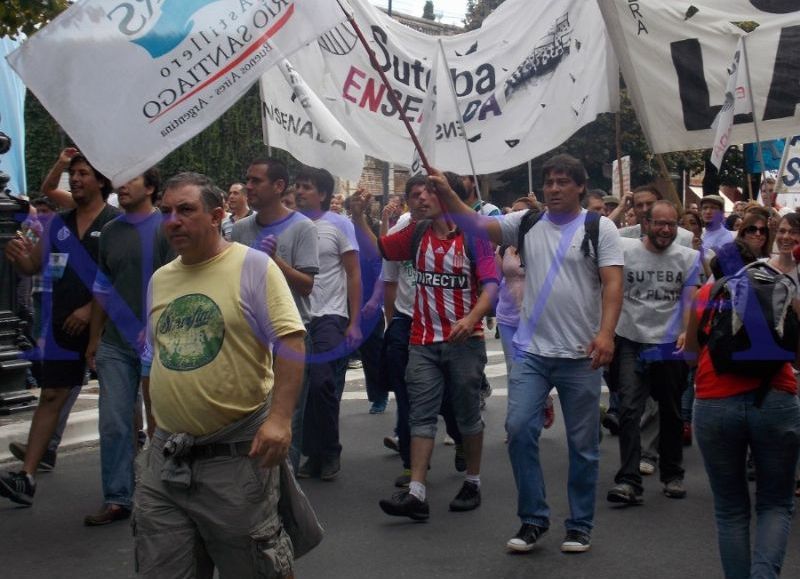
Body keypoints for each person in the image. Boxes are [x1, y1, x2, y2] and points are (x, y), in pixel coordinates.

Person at [430, 154, 624, 554]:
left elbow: (613, 284)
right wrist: (449, 194)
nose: (554, 188)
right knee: (519, 430)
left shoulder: (599, 227)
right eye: (550, 182)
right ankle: (533, 519)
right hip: (531, 352)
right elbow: (478, 225)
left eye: (563, 182)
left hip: (580, 354)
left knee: (583, 444)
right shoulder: (526, 222)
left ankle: (580, 524)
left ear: (580, 188)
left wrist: (606, 334)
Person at [135, 171, 306, 577]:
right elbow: (154, 355)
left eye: (185, 210)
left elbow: (291, 341)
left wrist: (280, 420)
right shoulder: (161, 279)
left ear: (216, 215)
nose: (173, 220)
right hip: (167, 460)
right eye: (167, 212)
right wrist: (153, 430)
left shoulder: (253, 266)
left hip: (235, 460)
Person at [376, 171, 497, 520]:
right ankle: (416, 492)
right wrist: (357, 217)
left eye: (429, 193)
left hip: (465, 343)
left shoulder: (476, 237)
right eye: (417, 195)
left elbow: (491, 286)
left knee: (467, 414)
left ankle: (472, 480)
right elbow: (380, 249)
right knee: (421, 414)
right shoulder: (414, 234)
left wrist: (472, 319)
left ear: (446, 197)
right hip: (423, 342)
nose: (420, 200)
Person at [1, 151, 120, 506]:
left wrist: (89, 310)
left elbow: (121, 276)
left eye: (83, 173)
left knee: (119, 406)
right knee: (51, 395)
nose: (77, 180)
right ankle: (26, 477)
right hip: (60, 327)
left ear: (101, 181)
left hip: (109, 329)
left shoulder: (117, 224)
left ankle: (125, 485)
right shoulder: (59, 224)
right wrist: (18, 256)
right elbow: (32, 266)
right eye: (74, 174)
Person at [685, 266, 800, 579]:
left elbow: (691, 355)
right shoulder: (787, 293)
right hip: (776, 400)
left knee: (731, 509)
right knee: (775, 503)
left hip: (714, 401)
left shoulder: (706, 295)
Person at [81, 168, 173, 526]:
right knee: (114, 422)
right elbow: (103, 288)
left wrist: (154, 327)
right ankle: (118, 496)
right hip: (116, 344)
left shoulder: (167, 228)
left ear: (150, 187)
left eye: (131, 178)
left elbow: (176, 283)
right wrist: (94, 339)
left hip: (159, 343)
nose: (121, 184)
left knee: (160, 422)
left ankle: (163, 492)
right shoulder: (111, 232)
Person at [606, 200, 700, 505]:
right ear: (646, 224)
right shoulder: (625, 250)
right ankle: (629, 480)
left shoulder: (688, 257)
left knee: (671, 411)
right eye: (660, 223)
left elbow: (689, 300)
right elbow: (612, 290)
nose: (665, 230)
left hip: (669, 343)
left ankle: (673, 474)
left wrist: (688, 332)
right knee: (630, 410)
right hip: (631, 340)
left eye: (672, 224)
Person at [232, 158, 319, 472]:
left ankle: (285, 494)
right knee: (249, 415)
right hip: (248, 337)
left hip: (288, 337)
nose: (248, 187)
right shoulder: (240, 229)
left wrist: (274, 261)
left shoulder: (302, 228)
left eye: (256, 181)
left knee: (285, 418)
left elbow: (307, 286)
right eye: (247, 180)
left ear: (279, 186)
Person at [294, 166, 361, 481]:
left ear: (321, 194)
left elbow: (353, 273)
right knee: (300, 387)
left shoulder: (339, 224)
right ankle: (312, 453)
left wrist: (354, 320)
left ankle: (330, 449)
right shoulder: (290, 223)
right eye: (298, 186)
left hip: (330, 315)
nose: (300, 191)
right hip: (296, 316)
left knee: (322, 382)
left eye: (306, 187)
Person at [496, 197, 555, 430]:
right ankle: (516, 423)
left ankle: (544, 399)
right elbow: (493, 279)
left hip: (536, 318)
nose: (516, 216)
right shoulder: (503, 246)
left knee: (540, 370)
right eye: (514, 211)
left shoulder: (544, 244)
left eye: (522, 213)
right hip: (508, 316)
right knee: (514, 372)